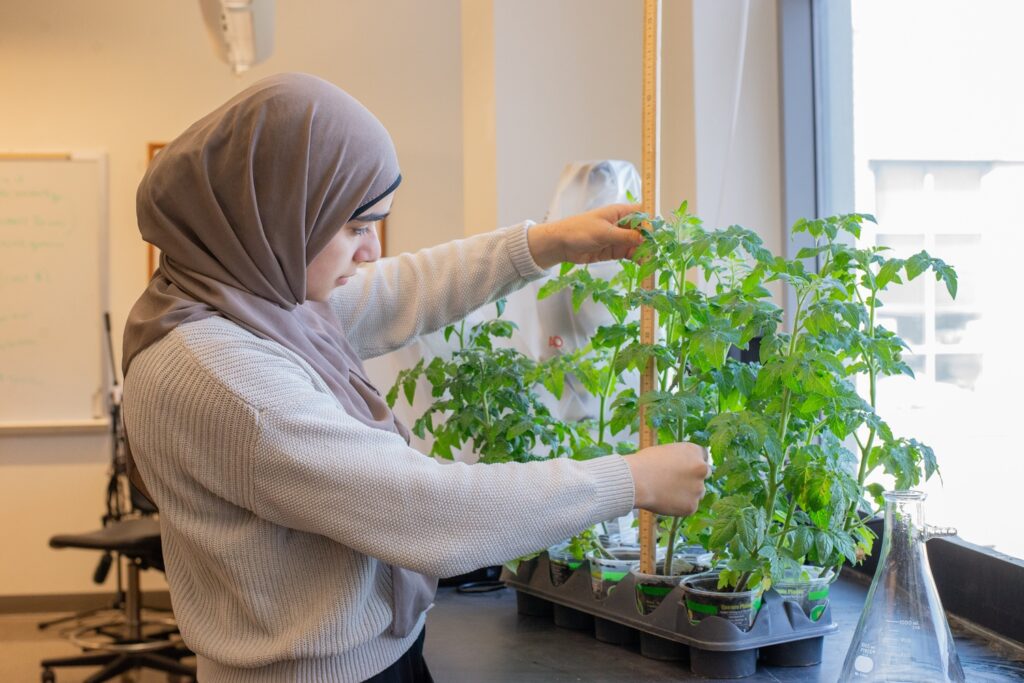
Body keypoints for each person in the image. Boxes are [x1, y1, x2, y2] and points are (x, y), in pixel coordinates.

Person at [121, 72, 709, 683]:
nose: (371, 250)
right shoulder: (223, 373)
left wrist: (544, 243)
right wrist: (628, 479)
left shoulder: (245, 295)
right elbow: (427, 510)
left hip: (368, 659)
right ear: (276, 213)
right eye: (354, 227)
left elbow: (399, 290)